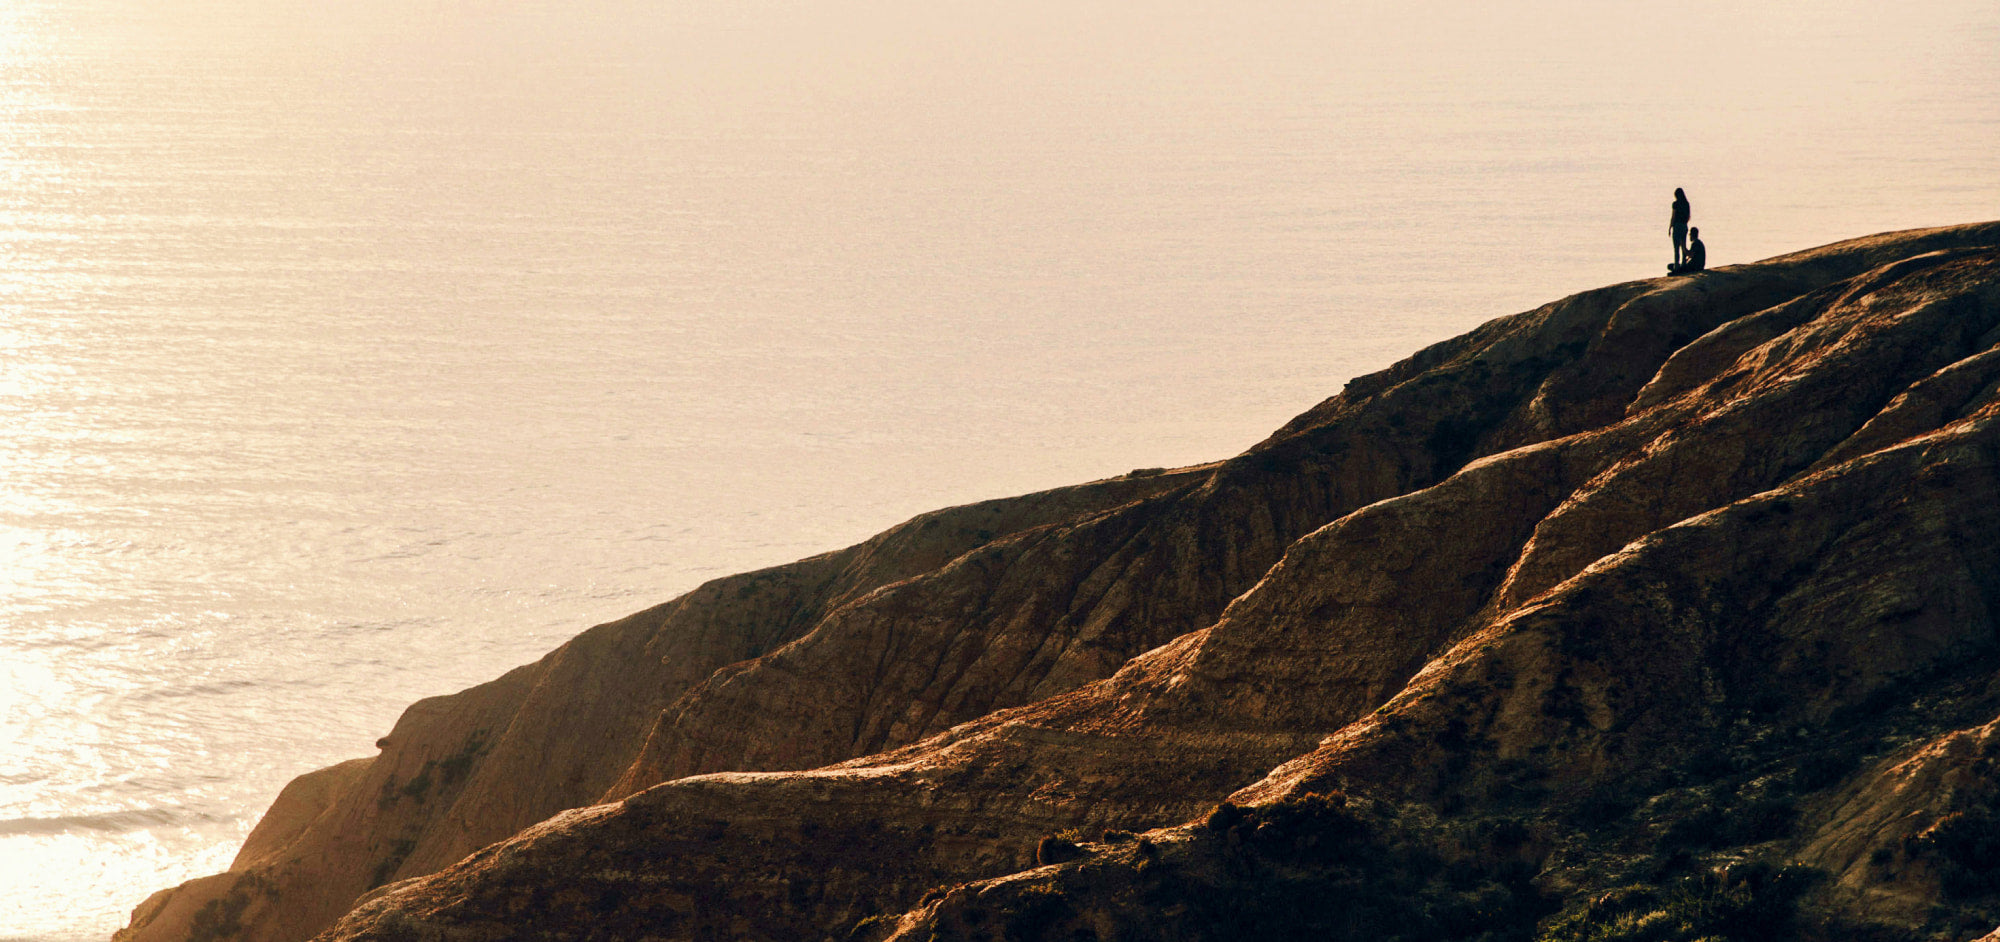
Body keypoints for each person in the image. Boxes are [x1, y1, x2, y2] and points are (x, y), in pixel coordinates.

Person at [1669, 188, 1691, 265]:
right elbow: (1688, 216)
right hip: (1684, 226)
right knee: (1683, 246)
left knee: (1676, 248)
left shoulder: (1675, 204)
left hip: (1677, 226)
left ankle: (1676, 265)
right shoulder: (1687, 203)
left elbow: (1673, 216)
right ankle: (1684, 263)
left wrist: (1670, 227)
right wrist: (1684, 223)